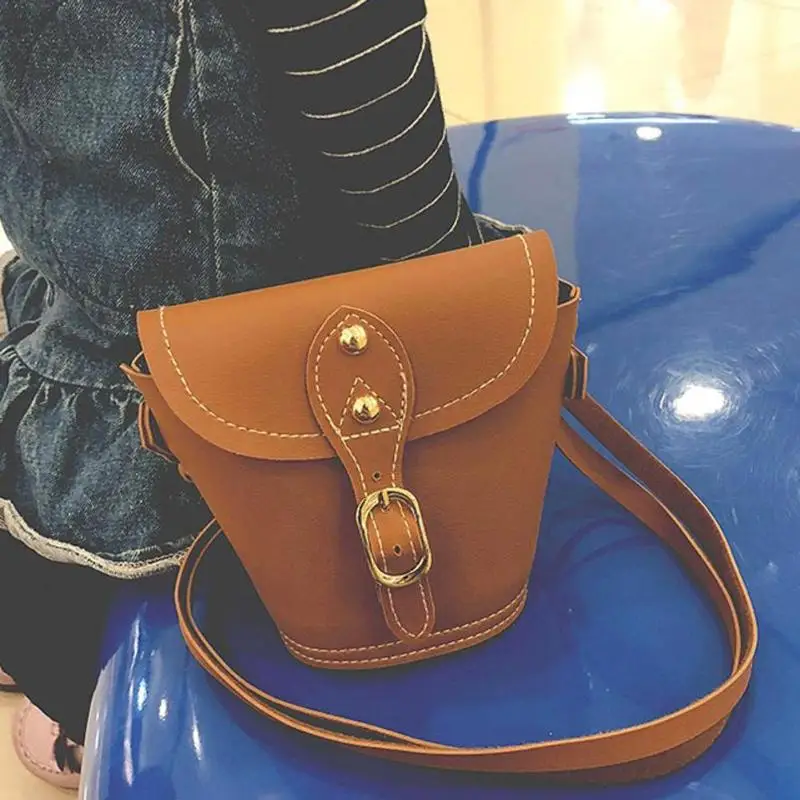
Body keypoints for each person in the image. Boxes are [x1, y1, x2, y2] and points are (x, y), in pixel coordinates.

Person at [0, 0, 517, 789]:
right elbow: (348, 32)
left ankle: (90, 704)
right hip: (236, 332)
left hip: (110, 299)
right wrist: (440, 272)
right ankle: (99, 695)